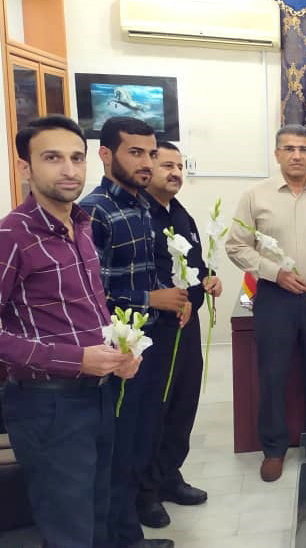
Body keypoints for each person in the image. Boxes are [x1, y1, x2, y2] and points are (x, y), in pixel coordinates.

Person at [0, 115, 140, 547]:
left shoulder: (80, 225)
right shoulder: (11, 235)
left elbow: (87, 311)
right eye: (52, 158)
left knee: (97, 515)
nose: (69, 169)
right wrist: (76, 359)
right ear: (25, 167)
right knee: (69, 528)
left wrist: (119, 351)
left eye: (77, 158)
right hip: (47, 404)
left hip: (96, 395)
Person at [81, 116, 186, 548]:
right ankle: (118, 537)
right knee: (118, 449)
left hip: (144, 345)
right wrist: (152, 299)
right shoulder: (95, 211)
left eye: (151, 153)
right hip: (114, 353)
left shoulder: (141, 207)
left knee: (140, 440)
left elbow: (142, 271)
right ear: (106, 154)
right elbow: (91, 291)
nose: (146, 163)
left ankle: (128, 533)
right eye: (135, 153)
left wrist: (171, 298)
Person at [226, 124, 306, 481]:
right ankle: (274, 449)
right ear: (277, 154)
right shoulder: (255, 196)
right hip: (275, 297)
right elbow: (236, 246)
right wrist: (273, 272)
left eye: (304, 149)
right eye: (289, 149)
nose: (296, 155)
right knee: (273, 375)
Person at [137, 141, 222, 527]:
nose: (175, 173)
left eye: (179, 167)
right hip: (153, 331)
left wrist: (207, 282)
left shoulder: (181, 214)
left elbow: (195, 266)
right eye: (166, 165)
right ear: (147, 167)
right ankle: (145, 493)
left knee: (183, 405)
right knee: (153, 411)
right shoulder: (140, 215)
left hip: (186, 327)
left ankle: (169, 476)